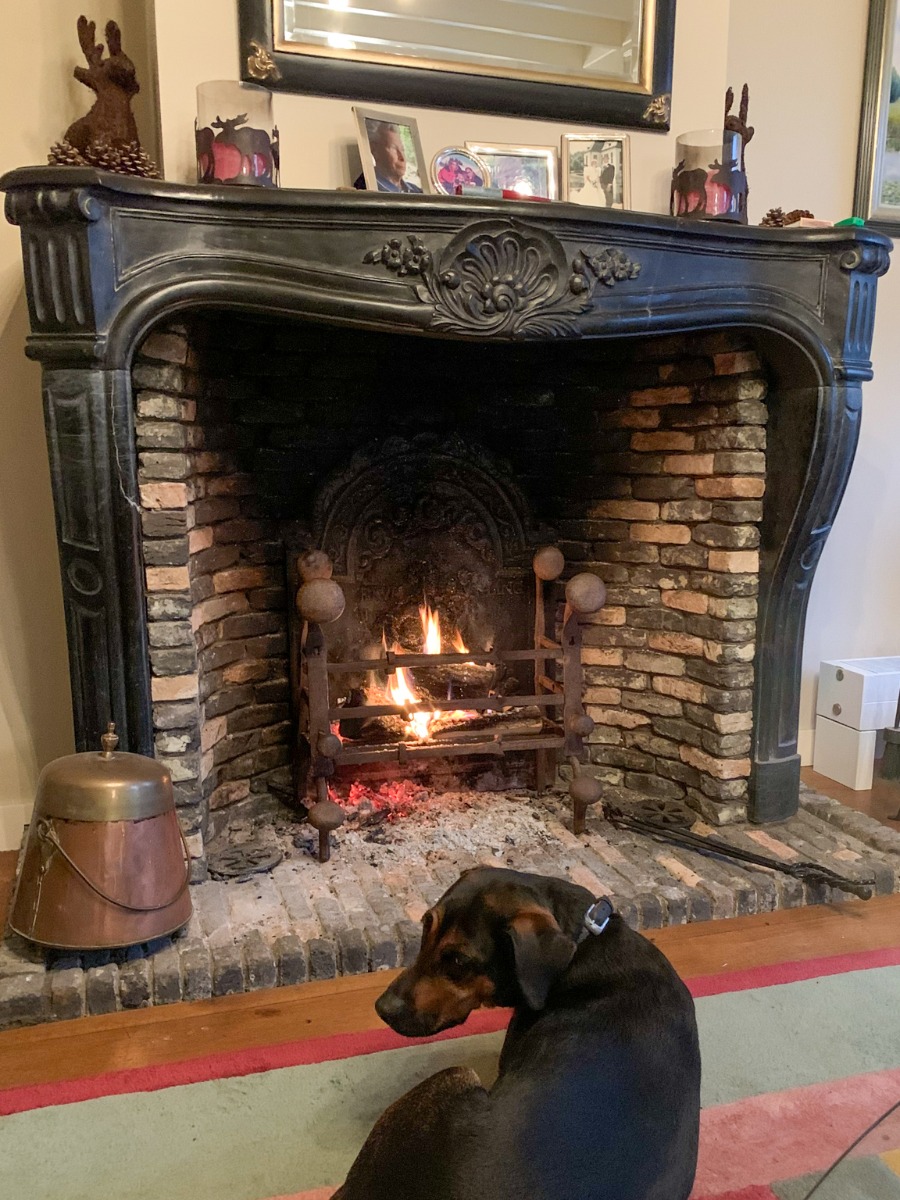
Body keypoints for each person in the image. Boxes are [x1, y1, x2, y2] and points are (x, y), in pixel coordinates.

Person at [367, 121, 423, 193]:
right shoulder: (369, 189)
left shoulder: (416, 191)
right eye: (393, 148)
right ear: (374, 150)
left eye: (402, 149)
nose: (402, 158)